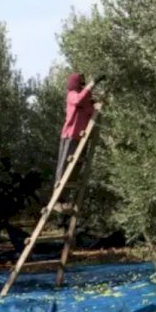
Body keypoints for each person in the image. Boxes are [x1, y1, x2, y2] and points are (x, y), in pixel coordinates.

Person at [51, 72, 105, 213]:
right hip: (69, 136)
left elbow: (91, 110)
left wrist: (97, 101)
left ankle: (65, 200)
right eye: (81, 82)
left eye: (84, 82)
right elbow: (79, 101)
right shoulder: (72, 94)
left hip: (81, 139)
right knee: (63, 167)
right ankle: (57, 200)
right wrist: (92, 83)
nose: (82, 84)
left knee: (75, 169)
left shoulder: (85, 99)